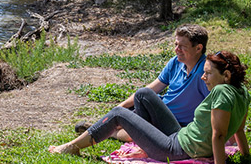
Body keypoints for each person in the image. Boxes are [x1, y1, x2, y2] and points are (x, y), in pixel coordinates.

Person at [50, 51, 251, 164]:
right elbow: (239, 130)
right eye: (203, 72)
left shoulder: (221, 92)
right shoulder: (242, 92)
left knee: (119, 113)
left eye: (208, 73)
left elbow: (220, 134)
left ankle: (73, 146)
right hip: (179, 137)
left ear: (226, 75)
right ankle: (140, 138)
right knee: (144, 94)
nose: (203, 77)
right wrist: (246, 156)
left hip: (175, 151)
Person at [78, 25, 210, 141]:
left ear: (198, 48)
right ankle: (103, 126)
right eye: (176, 45)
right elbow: (152, 89)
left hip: (176, 124)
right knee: (132, 113)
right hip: (157, 112)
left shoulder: (206, 73)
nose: (177, 49)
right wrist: (121, 106)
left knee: (134, 133)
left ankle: (107, 131)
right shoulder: (175, 63)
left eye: (182, 47)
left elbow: (216, 107)